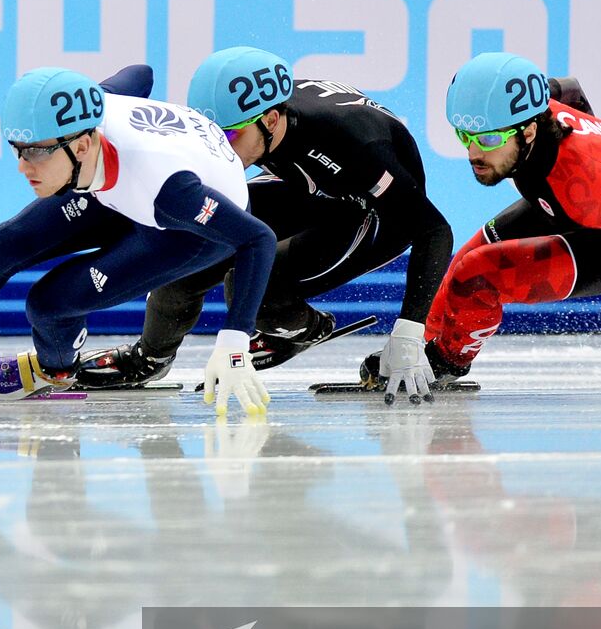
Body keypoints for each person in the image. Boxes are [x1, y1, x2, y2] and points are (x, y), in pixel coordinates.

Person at [0, 66, 278, 415]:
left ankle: (53, 370)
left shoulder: (171, 192)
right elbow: (139, 74)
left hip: (184, 230)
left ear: (83, 143)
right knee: (1, 247)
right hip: (114, 184)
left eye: (36, 152)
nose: (23, 167)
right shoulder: (94, 107)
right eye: (17, 149)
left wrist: (235, 342)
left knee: (49, 303)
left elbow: (257, 238)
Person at [76, 47, 454, 405]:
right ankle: (150, 357)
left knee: (251, 289)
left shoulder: (354, 144)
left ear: (272, 120)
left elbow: (433, 229)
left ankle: (302, 327)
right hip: (302, 182)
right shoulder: (258, 124)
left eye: (227, 136)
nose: (216, 148)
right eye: (207, 133)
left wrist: (409, 333)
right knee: (181, 258)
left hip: (368, 209)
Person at [363, 52, 601, 389]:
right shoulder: (535, 104)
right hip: (557, 198)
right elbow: (570, 89)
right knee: (463, 258)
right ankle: (424, 345)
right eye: (464, 136)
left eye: (489, 139)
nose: (474, 153)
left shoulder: (592, 194)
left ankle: (446, 361)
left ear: (529, 132)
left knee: (477, 274)